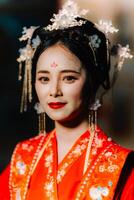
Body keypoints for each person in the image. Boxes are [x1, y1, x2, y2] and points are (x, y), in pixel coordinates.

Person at [0, 0, 134, 199]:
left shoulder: (120, 166)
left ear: (92, 81)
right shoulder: (23, 157)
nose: (54, 91)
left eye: (69, 78)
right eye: (44, 79)